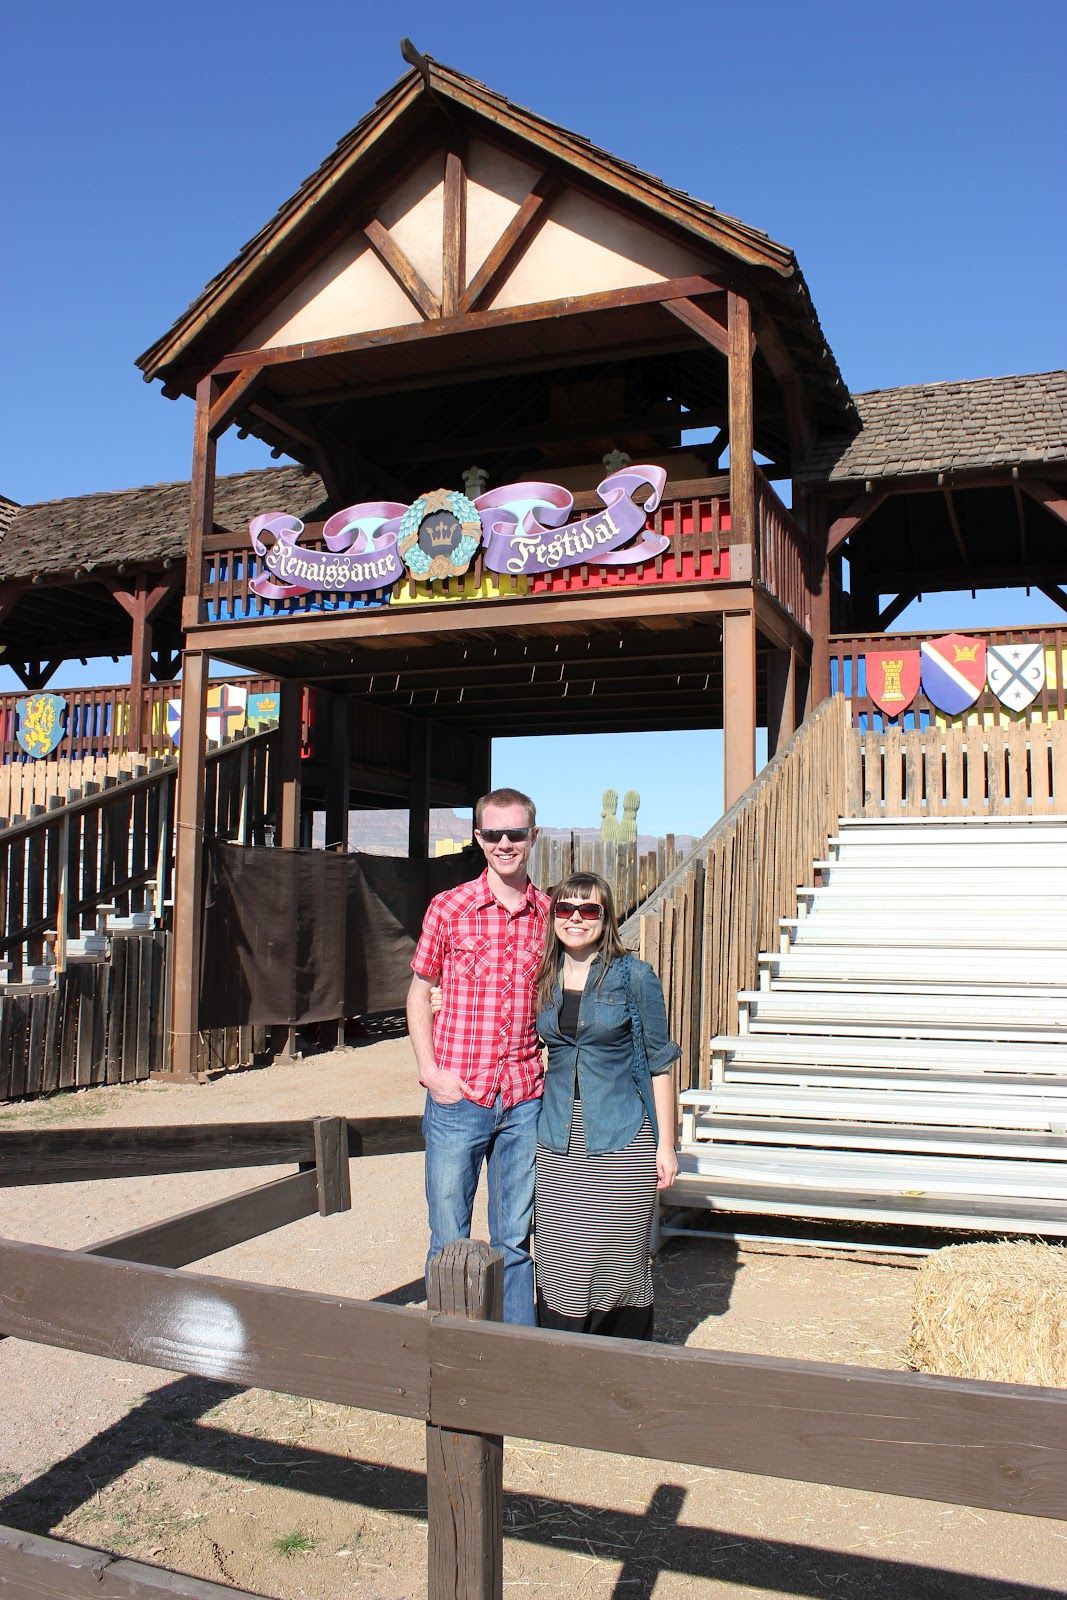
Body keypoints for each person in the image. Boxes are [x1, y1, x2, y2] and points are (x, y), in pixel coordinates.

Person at [406, 788, 548, 1325]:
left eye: (516, 833)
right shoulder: (450, 907)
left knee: (515, 1238)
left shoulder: (550, 917)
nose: (505, 843)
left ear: (533, 837)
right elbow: (419, 992)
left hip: (524, 1098)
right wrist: (430, 1072)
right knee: (449, 1237)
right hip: (459, 1094)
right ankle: (452, 1361)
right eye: (494, 834)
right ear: (478, 838)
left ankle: (515, 1361)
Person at [533, 872, 679, 1338]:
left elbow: (660, 1064)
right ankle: (563, 1356)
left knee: (619, 1254)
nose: (576, 918)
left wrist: (667, 1147)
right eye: (565, 908)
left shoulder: (635, 976)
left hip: (620, 1136)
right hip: (556, 1137)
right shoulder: (544, 975)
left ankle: (622, 1357)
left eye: (589, 909)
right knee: (558, 1254)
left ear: (606, 917)